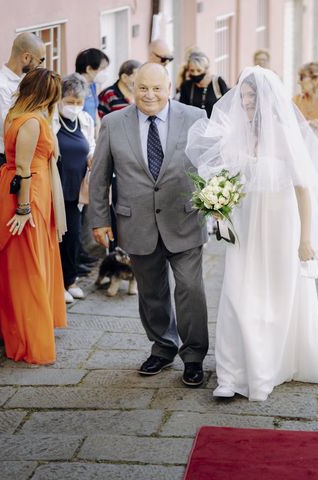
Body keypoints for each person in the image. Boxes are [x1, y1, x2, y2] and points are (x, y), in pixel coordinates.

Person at [186, 67, 318, 401]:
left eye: (251, 97)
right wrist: (217, 205)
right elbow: (224, 178)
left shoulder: (284, 134)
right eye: (243, 96)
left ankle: (272, 366)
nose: (245, 102)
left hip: (280, 227)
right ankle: (231, 375)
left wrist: (305, 240)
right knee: (236, 294)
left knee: (276, 297)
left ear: (265, 100)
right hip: (245, 228)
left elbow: (305, 189)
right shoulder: (237, 133)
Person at [89, 63, 209, 387]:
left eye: (157, 88)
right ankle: (163, 346)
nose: (150, 95)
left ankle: (194, 355)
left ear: (169, 88)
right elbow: (99, 177)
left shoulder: (195, 118)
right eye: (143, 88)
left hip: (184, 218)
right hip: (136, 223)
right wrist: (99, 220)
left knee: (190, 289)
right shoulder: (113, 123)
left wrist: (217, 199)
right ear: (132, 87)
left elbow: (213, 163)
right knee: (152, 292)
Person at [0, 68, 67, 365]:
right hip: (29, 196)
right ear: (45, 95)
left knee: (25, 267)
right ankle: (31, 339)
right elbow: (23, 168)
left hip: (34, 192)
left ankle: (22, 329)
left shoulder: (14, 114)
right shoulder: (32, 121)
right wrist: (23, 210)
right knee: (29, 268)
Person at [53, 74, 96, 304]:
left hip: (76, 188)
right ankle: (57, 284)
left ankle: (70, 280)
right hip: (55, 188)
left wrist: (91, 156)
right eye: (70, 101)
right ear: (60, 98)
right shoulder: (50, 119)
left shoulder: (85, 120)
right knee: (56, 238)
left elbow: (90, 145)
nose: (75, 106)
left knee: (73, 237)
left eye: (79, 102)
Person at [0, 32, 46, 181]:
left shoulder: (26, 80)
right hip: (11, 162)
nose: (40, 66)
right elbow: (13, 130)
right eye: (40, 60)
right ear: (26, 57)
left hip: (31, 160)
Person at [179, 50, 229, 118]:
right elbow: (182, 110)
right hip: (194, 126)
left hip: (215, 126)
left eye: (199, 70)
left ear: (206, 70)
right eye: (192, 70)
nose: (195, 74)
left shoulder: (218, 82)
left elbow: (228, 106)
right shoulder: (186, 86)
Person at [75, 48, 110, 126]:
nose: (105, 72)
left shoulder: (92, 84)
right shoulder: (74, 88)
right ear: (89, 69)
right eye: (102, 68)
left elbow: (94, 112)